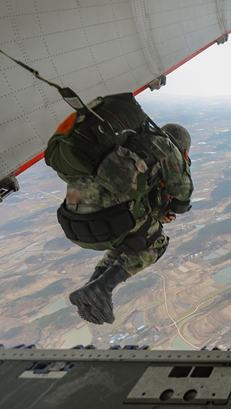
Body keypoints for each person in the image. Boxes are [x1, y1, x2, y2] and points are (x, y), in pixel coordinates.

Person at [61, 123, 193, 325]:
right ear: (183, 148)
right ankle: (101, 288)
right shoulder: (168, 150)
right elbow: (182, 200)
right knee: (156, 243)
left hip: (72, 220)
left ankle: (92, 287)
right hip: (108, 219)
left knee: (131, 237)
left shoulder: (128, 142)